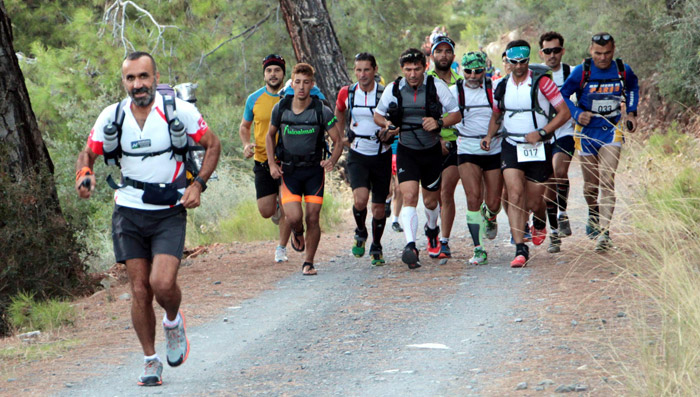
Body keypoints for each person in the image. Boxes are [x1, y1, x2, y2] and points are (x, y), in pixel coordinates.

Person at [75, 52, 221, 386]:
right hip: (128, 211)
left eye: (144, 77)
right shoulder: (112, 116)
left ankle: (172, 321)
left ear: (155, 77)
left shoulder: (179, 111)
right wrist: (85, 173)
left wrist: (198, 184)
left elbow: (213, 145)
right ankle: (150, 360)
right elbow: (89, 152)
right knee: (140, 290)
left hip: (169, 210)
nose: (138, 84)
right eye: (131, 78)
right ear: (124, 81)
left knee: (162, 284)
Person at [482, 40, 570, 267]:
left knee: (534, 201)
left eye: (523, 62)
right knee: (514, 194)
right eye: (514, 62)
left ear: (528, 61)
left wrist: (542, 132)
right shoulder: (501, 86)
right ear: (508, 62)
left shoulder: (543, 83)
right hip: (511, 145)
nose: (519, 66)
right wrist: (489, 136)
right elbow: (496, 115)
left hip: (538, 147)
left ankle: (539, 221)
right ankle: (520, 248)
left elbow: (564, 113)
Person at [374, 48, 461, 269]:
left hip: (431, 151)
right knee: (409, 195)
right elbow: (378, 114)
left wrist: (439, 122)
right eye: (408, 69)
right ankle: (411, 246)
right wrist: (387, 125)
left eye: (417, 69)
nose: (412, 74)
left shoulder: (435, 86)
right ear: (402, 69)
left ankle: (432, 231)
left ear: (425, 67)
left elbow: (456, 113)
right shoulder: (394, 88)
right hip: (406, 150)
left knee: (431, 201)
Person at [560, 33, 639, 251]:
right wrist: (576, 113)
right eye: (597, 53)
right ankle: (593, 211)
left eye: (607, 53)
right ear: (590, 50)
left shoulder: (623, 70)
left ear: (613, 51)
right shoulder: (581, 71)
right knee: (590, 186)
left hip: (611, 130)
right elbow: (563, 94)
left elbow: (633, 87)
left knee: (607, 179)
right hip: (586, 133)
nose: (602, 58)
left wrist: (631, 113)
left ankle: (605, 233)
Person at [266, 63, 343, 275]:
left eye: (306, 83)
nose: (301, 87)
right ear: (292, 83)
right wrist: (272, 164)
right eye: (297, 82)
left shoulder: (321, 110)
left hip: (313, 172)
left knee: (313, 217)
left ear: (312, 84)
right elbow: (269, 136)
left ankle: (308, 262)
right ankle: (297, 232)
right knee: (293, 218)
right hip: (289, 172)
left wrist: (332, 161)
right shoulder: (280, 108)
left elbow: (338, 140)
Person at [335, 52, 391, 266]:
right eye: (358, 70)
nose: (362, 74)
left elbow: (393, 120)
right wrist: (340, 137)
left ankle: (376, 246)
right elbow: (339, 111)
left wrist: (389, 133)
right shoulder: (347, 93)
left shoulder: (385, 94)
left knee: (378, 208)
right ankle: (360, 231)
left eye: (366, 69)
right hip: (357, 153)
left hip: (381, 154)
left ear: (375, 70)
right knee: (360, 199)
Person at [239, 54, 292, 263]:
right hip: (261, 159)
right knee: (266, 210)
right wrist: (245, 144)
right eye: (269, 71)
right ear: (264, 75)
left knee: (289, 206)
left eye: (277, 70)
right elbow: (244, 126)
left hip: (288, 160)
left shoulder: (291, 97)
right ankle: (278, 209)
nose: (273, 74)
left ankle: (281, 248)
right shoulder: (254, 98)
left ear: (283, 74)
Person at [452, 51, 503, 265]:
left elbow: (501, 113)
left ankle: (490, 216)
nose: (473, 76)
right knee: (473, 198)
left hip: (494, 147)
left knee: (494, 201)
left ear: (486, 69)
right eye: (468, 72)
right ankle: (478, 248)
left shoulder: (496, 87)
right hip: (467, 147)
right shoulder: (453, 91)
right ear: (462, 71)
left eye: (478, 71)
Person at [537, 32, 575, 253]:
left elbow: (582, 98)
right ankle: (554, 233)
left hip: (564, 131)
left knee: (559, 170)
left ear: (563, 50)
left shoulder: (571, 73)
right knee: (547, 184)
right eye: (547, 51)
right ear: (541, 53)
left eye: (556, 50)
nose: (552, 55)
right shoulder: (535, 75)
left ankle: (562, 214)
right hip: (542, 134)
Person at [427, 35, 463, 259]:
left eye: (447, 51)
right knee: (432, 197)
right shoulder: (423, 80)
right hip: (428, 145)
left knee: (446, 192)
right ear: (432, 55)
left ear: (453, 55)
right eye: (439, 51)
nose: (443, 55)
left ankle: (444, 240)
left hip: (455, 145)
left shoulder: (461, 82)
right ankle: (432, 230)